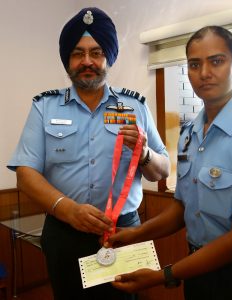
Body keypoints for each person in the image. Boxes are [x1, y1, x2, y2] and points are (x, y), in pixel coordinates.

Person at [108, 26, 232, 300]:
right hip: (198, 272)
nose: (204, 73)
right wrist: (133, 234)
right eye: (194, 64)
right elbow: (182, 207)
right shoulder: (188, 135)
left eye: (217, 61)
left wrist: (163, 276)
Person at [7, 7, 170, 300]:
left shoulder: (135, 107)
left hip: (123, 230)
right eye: (77, 53)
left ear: (108, 58)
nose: (87, 61)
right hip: (64, 231)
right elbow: (25, 173)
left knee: (124, 297)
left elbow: (162, 169)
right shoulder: (44, 107)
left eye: (96, 53)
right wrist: (67, 209)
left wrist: (144, 153)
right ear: (68, 60)